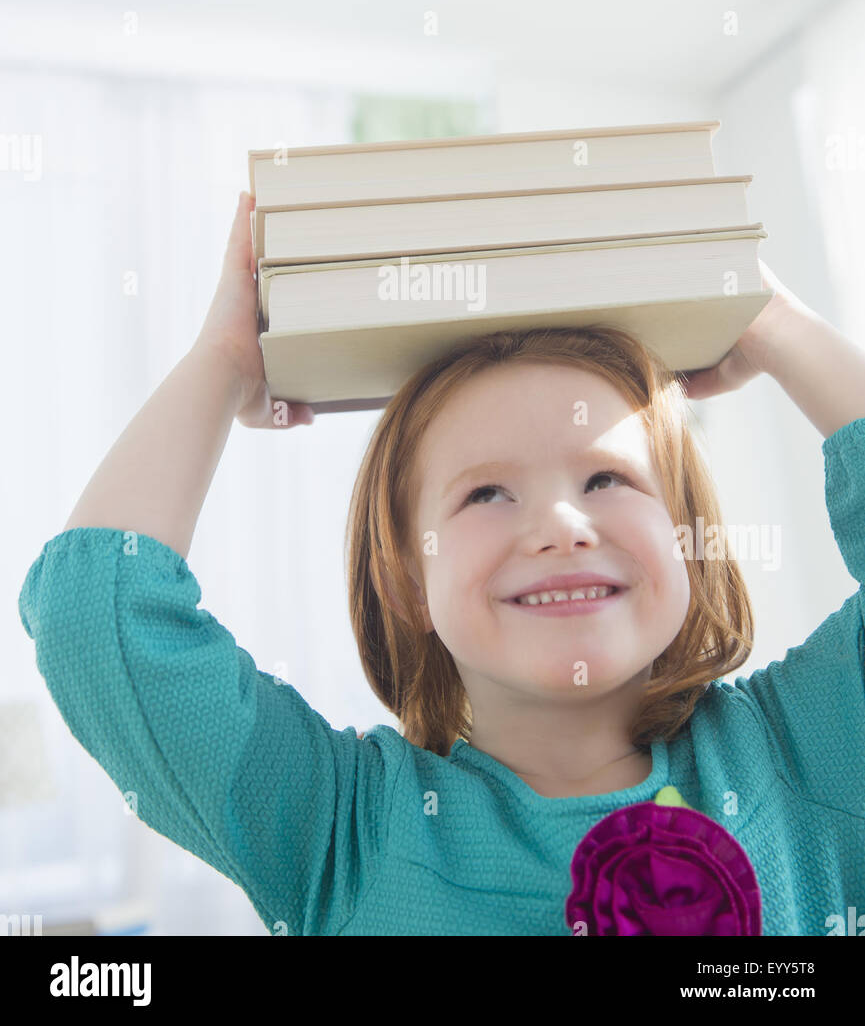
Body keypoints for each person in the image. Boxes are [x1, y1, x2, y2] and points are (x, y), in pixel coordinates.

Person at [18, 192, 865, 935]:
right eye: (486, 494)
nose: (561, 526)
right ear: (405, 583)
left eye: (606, 477)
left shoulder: (802, 752)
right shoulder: (339, 832)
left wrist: (773, 326)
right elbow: (98, 617)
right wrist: (225, 365)